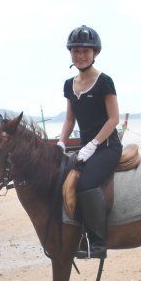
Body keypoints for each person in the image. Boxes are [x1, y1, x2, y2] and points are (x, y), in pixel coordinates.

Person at [58, 25, 122, 259]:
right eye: (76, 51)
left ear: (95, 53)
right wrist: (61, 144)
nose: (80, 56)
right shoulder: (69, 85)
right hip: (86, 148)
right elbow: (69, 119)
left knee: (85, 184)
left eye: (85, 51)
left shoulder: (104, 81)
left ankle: (97, 242)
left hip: (106, 147)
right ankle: (73, 234)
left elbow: (114, 119)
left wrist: (93, 144)